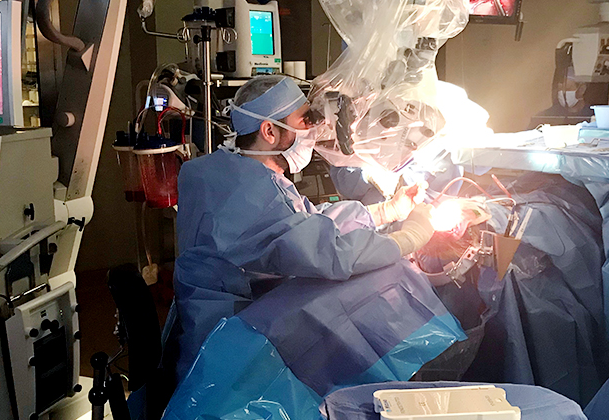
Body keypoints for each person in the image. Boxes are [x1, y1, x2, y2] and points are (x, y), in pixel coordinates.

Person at [169, 74, 436, 377]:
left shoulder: (227, 171)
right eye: (305, 120)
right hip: (228, 351)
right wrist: (412, 236)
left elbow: (304, 222)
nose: (313, 131)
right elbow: (331, 254)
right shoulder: (249, 195)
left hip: (212, 322)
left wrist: (386, 211)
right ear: (269, 131)